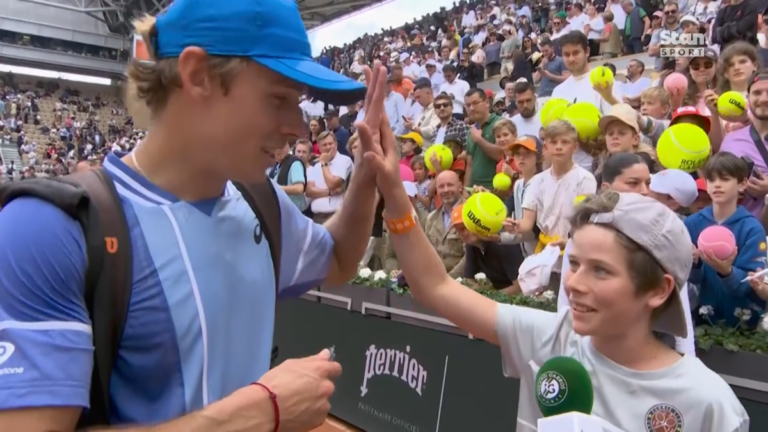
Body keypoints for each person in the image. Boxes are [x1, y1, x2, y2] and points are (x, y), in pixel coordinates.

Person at [0, 0, 394, 429]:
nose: (298, 127)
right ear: (197, 75)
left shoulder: (262, 201)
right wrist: (262, 412)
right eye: (279, 98)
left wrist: (367, 173)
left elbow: (338, 259)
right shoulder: (48, 229)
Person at [368, 129, 749, 429]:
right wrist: (395, 196)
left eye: (601, 270)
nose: (575, 283)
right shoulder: (552, 338)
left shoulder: (710, 405)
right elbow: (434, 287)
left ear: (659, 289)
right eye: (576, 264)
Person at [557, 152, 696, 355]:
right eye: (633, 183)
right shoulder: (583, 235)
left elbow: (680, 300)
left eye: (648, 183)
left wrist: (687, 357)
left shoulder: (664, 234)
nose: (644, 191)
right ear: (607, 188)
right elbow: (565, 303)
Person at [685, 153, 767, 329]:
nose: (717, 185)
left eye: (725, 179)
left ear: (742, 184)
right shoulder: (691, 223)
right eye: (712, 179)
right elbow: (692, 279)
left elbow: (750, 284)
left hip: (744, 325)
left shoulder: (752, 228)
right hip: (704, 321)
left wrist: (727, 272)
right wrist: (695, 263)